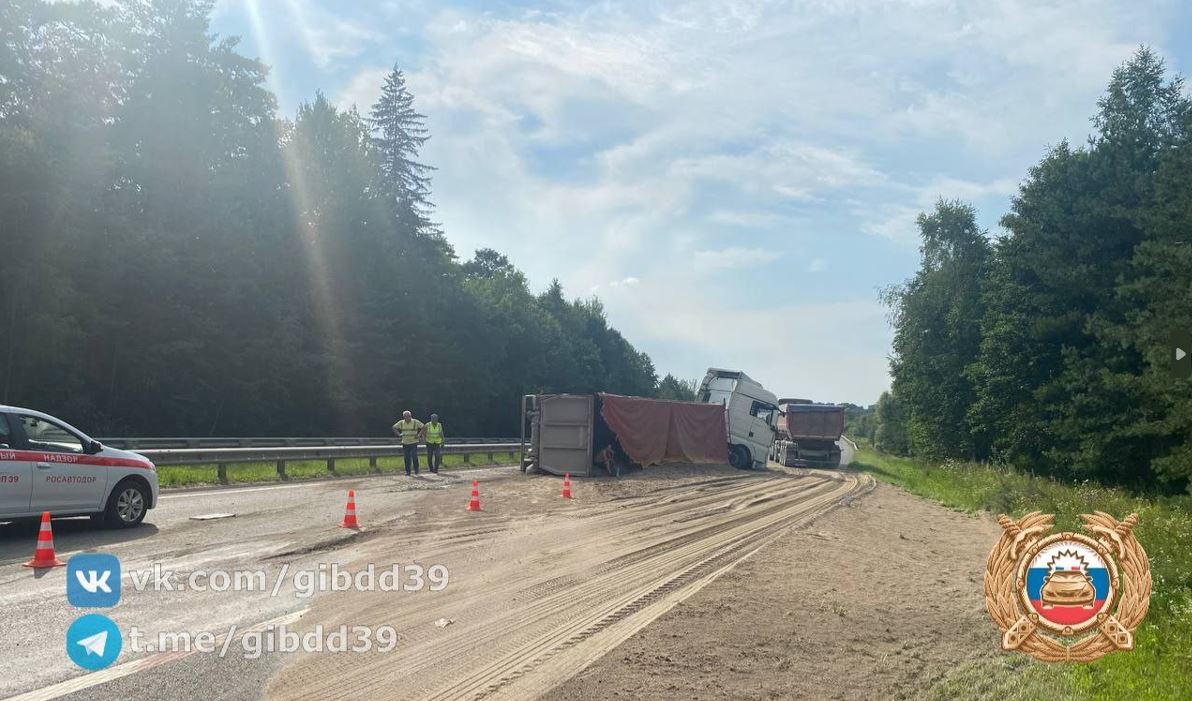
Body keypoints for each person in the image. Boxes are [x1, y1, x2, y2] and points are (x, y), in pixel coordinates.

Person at [392, 410, 424, 476]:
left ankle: (416, 470)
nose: (407, 418)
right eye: (406, 417)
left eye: (408, 416)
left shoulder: (415, 422)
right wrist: (399, 434)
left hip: (413, 442)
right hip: (405, 442)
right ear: (404, 417)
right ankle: (408, 471)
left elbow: (423, 427)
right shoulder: (401, 423)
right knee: (406, 457)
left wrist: (419, 435)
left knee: (414, 456)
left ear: (410, 416)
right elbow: (394, 427)